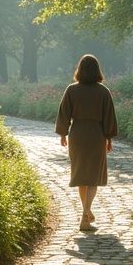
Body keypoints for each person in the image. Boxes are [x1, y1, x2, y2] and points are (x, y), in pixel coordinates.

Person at [55, 54, 118, 231]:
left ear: (79, 70)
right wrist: (109, 138)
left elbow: (64, 113)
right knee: (93, 177)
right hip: (96, 135)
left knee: (81, 174)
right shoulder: (103, 91)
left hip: (77, 135)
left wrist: (62, 134)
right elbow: (109, 117)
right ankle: (86, 213)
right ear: (97, 70)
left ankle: (85, 212)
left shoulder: (71, 90)